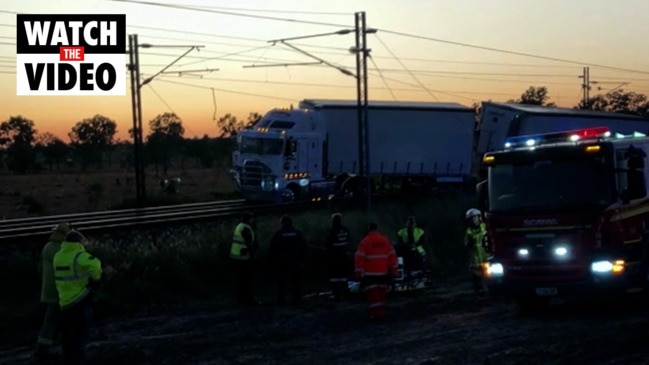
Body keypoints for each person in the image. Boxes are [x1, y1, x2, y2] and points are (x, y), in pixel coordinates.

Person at [53, 230, 102, 365]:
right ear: (78, 243)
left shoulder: (58, 256)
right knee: (79, 335)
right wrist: (96, 280)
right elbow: (95, 264)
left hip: (64, 301)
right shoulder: (79, 255)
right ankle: (78, 360)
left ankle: (68, 360)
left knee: (67, 336)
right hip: (79, 299)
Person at [34, 222, 71, 362]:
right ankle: (48, 349)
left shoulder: (47, 247)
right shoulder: (63, 249)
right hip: (61, 291)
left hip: (48, 289)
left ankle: (42, 348)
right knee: (62, 320)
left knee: (50, 319)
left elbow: (40, 269)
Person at [354, 223, 398, 320]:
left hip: (370, 274)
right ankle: (381, 312)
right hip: (383, 272)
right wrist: (394, 270)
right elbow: (392, 256)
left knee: (373, 295)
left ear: (368, 230)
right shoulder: (385, 240)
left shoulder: (365, 241)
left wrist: (358, 272)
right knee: (382, 294)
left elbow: (359, 258)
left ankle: (376, 314)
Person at [269, 215, 307, 306]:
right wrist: (303, 260)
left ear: (283, 223)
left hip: (283, 262)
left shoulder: (279, 234)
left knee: (282, 282)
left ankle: (281, 300)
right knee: (295, 282)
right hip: (295, 261)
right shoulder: (297, 233)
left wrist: (273, 261)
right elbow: (303, 247)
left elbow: (272, 248)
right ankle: (296, 299)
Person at [230, 211, 261, 306]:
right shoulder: (245, 229)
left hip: (237, 257)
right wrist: (252, 254)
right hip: (244, 258)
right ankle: (248, 299)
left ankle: (241, 299)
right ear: (249, 219)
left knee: (241, 280)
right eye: (252, 219)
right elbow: (249, 243)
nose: (254, 221)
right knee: (247, 280)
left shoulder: (240, 227)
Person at [325, 213, 351, 301]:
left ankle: (336, 294)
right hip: (344, 255)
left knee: (333, 276)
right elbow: (348, 241)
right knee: (344, 275)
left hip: (334, 257)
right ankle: (346, 293)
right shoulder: (345, 230)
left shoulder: (331, 231)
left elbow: (328, 244)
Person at [464, 208, 488, 295]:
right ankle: (478, 290)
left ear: (479, 217)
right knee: (475, 276)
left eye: (475, 217)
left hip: (486, 256)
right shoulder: (469, 231)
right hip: (475, 258)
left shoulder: (485, 226)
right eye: (471, 218)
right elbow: (466, 244)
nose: (473, 220)